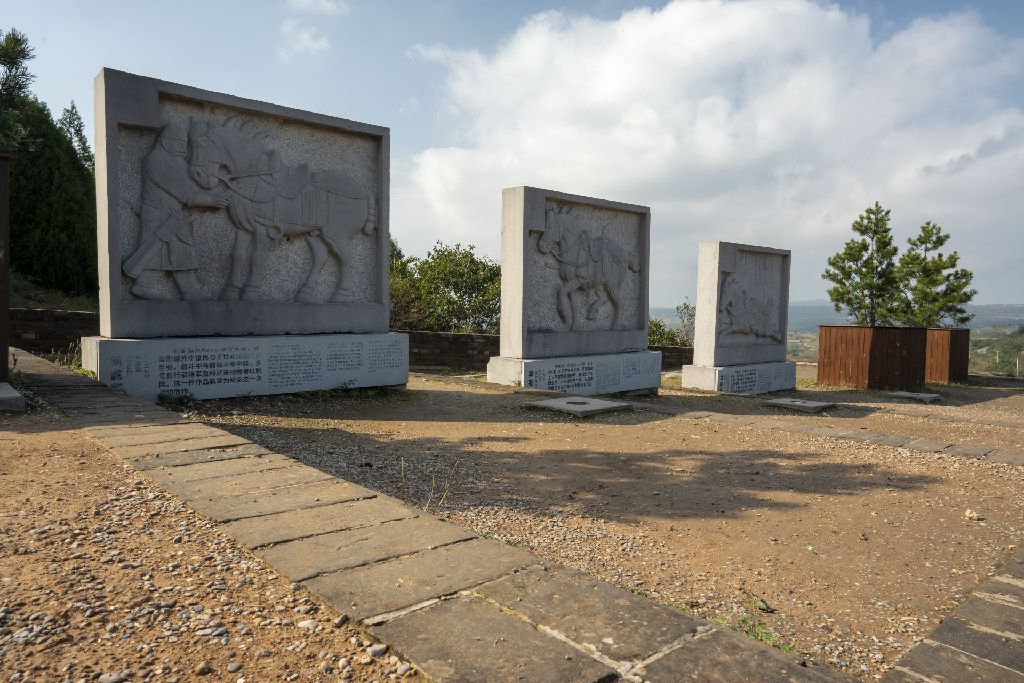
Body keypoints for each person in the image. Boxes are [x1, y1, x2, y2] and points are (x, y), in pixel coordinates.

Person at [123, 124, 228, 300]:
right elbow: (184, 191)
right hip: (159, 215)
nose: (183, 148)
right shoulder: (156, 160)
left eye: (184, 143)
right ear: (165, 143)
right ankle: (143, 285)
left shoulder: (171, 161)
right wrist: (210, 200)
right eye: (179, 143)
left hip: (170, 214)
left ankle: (188, 290)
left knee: (180, 249)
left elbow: (189, 184)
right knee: (155, 249)